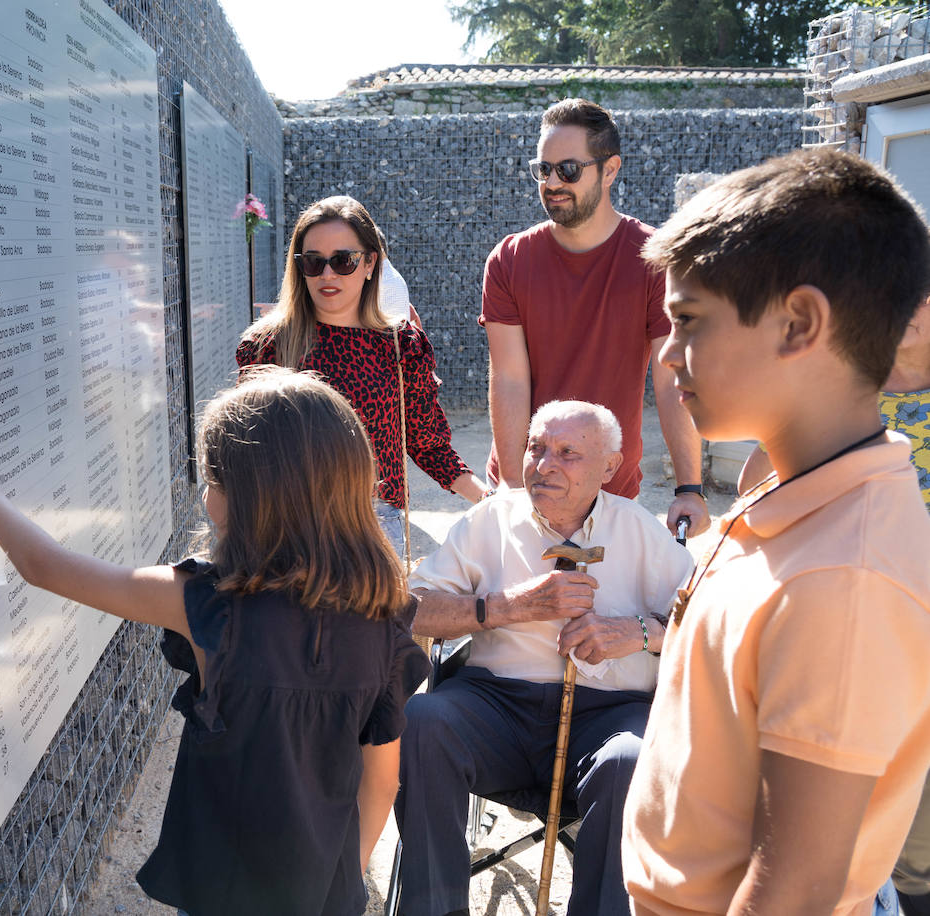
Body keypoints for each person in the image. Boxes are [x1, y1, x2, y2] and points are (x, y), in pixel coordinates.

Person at [0, 367, 429, 916]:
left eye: (213, 478)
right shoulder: (386, 616)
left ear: (244, 498)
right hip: (326, 892)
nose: (205, 493)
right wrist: (347, 874)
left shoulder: (209, 605)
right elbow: (383, 781)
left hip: (223, 891)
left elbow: (45, 566)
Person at [621, 148, 930, 916]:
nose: (666, 354)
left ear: (799, 323)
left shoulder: (843, 581)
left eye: (687, 320)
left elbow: (792, 891)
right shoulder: (788, 484)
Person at [396, 399, 693, 916]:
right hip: (495, 707)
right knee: (422, 721)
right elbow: (412, 611)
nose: (544, 464)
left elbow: (711, 620)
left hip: (607, 714)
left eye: (567, 453)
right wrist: (508, 605)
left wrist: (642, 631)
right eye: (536, 449)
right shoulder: (490, 519)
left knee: (632, 759)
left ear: (609, 467)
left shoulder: (640, 529)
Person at [735, 293, 930, 916]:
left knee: (915, 839)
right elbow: (755, 497)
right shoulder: (834, 383)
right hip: (841, 632)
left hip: (912, 631)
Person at [480, 98, 709, 536]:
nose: (552, 182)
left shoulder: (655, 260)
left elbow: (671, 378)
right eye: (543, 169)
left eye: (567, 170)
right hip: (526, 486)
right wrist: (511, 485)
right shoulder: (509, 260)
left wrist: (690, 487)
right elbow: (509, 378)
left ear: (609, 170)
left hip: (610, 492)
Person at [238, 196, 486, 553]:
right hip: (287, 527)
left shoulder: (402, 345)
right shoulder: (266, 346)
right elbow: (245, 449)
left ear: (370, 262)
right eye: (313, 262)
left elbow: (427, 442)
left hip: (375, 527)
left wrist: (487, 497)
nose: (327, 274)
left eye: (343, 261)